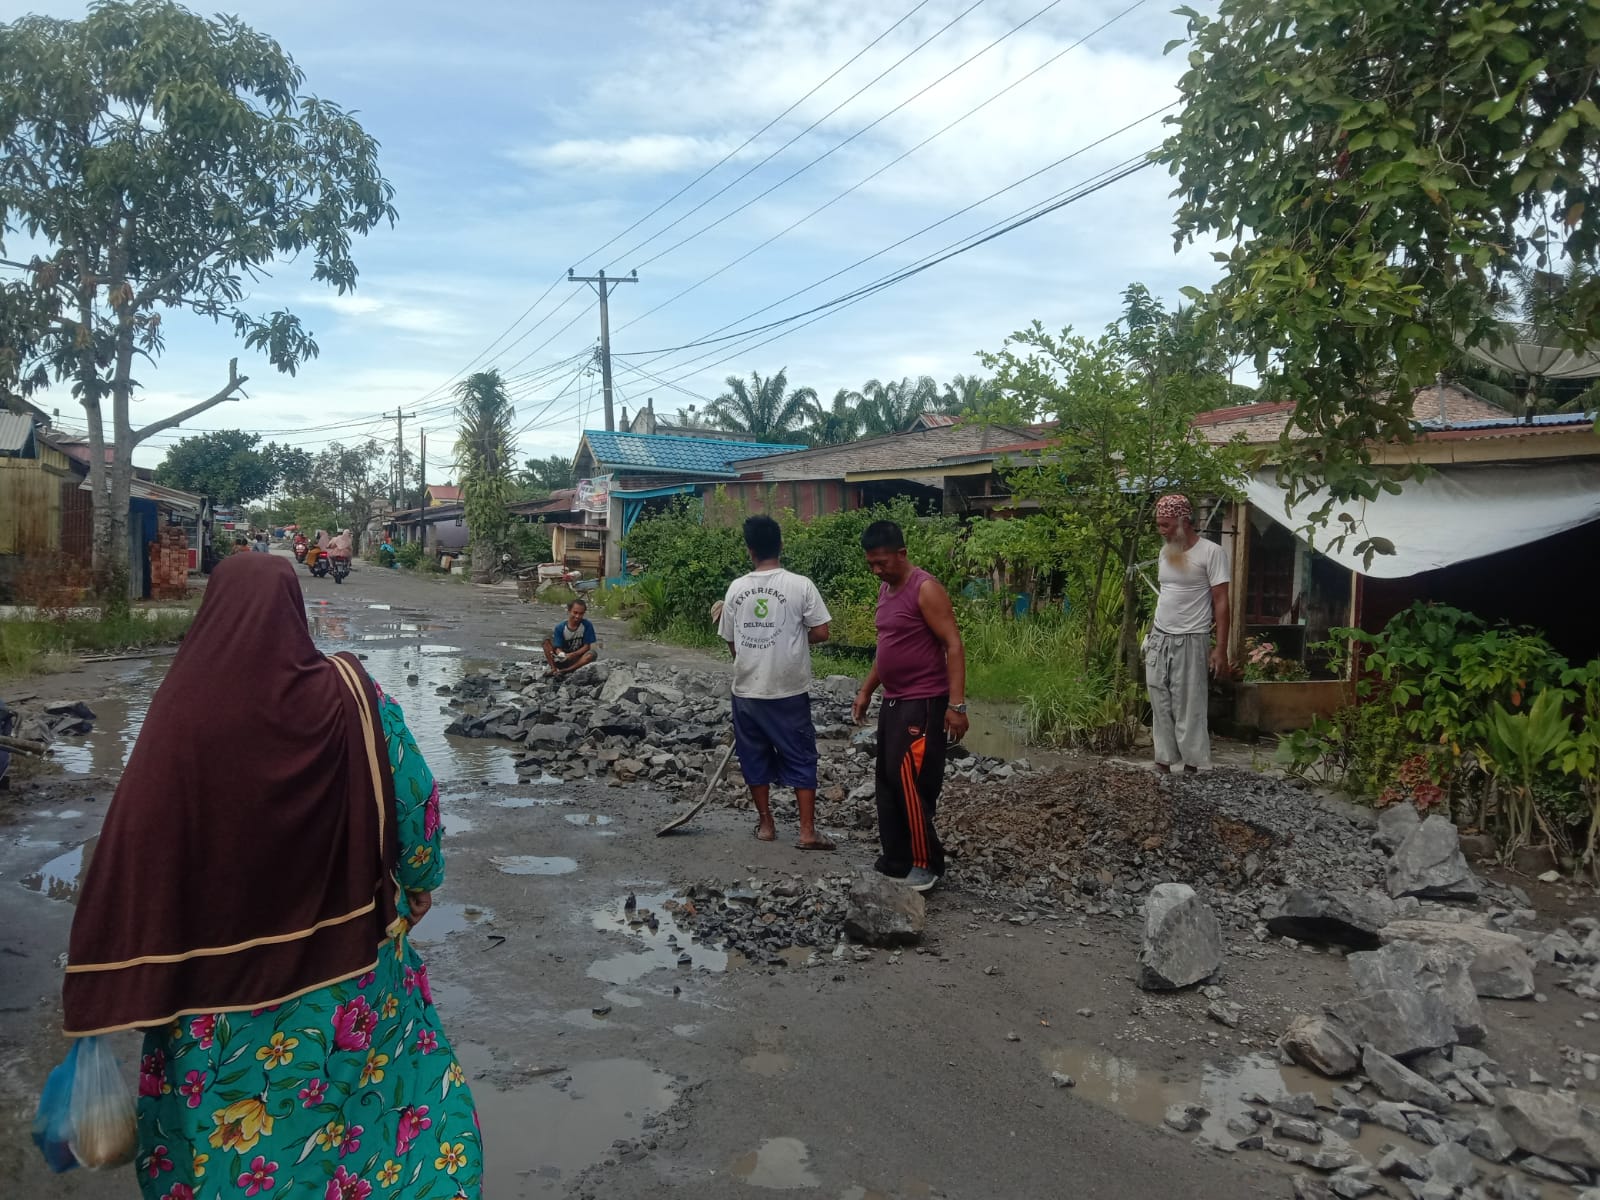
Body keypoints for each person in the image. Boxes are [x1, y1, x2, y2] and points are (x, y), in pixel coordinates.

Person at [62, 553, 482, 1199]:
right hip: (347, 986)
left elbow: (134, 841)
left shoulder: (179, 717)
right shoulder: (352, 694)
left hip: (210, 1005)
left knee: (225, 1156)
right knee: (376, 1123)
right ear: (296, 611)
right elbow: (413, 796)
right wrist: (420, 880)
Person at [851, 520, 968, 892]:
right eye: (870, 564)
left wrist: (957, 706)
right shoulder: (886, 590)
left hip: (923, 701)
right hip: (894, 699)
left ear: (901, 553)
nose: (876, 570)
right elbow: (887, 648)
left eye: (882, 562)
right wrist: (867, 689)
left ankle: (925, 863)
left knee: (911, 782)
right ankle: (897, 857)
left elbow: (953, 644)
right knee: (887, 779)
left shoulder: (925, 588)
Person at [717, 515, 834, 850]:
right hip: (788, 691)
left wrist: (750, 655)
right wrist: (791, 637)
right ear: (781, 545)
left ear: (749, 550)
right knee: (800, 755)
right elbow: (822, 631)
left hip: (747, 690)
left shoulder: (736, 589)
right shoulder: (801, 585)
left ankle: (766, 824)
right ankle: (807, 832)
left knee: (753, 756)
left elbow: (731, 640)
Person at [1146, 493, 1231, 773]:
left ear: (1184, 522)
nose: (1162, 531)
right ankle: (1164, 760)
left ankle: (1193, 764)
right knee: (1159, 698)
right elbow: (1167, 595)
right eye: (1159, 525)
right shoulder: (1165, 551)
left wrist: (1220, 649)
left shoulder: (1211, 553)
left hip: (1191, 637)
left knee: (1189, 703)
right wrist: (1152, 633)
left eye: (1166, 525)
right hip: (1159, 637)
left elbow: (1221, 601)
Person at [543, 599, 598, 676]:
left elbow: (587, 647)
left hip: (578, 659)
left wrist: (573, 654)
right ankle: (553, 668)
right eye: (575, 613)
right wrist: (561, 654)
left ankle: (567, 670)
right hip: (563, 659)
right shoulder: (560, 627)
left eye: (581, 614)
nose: (577, 616)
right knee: (546, 640)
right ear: (569, 611)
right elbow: (557, 647)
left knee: (592, 654)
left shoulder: (587, 625)